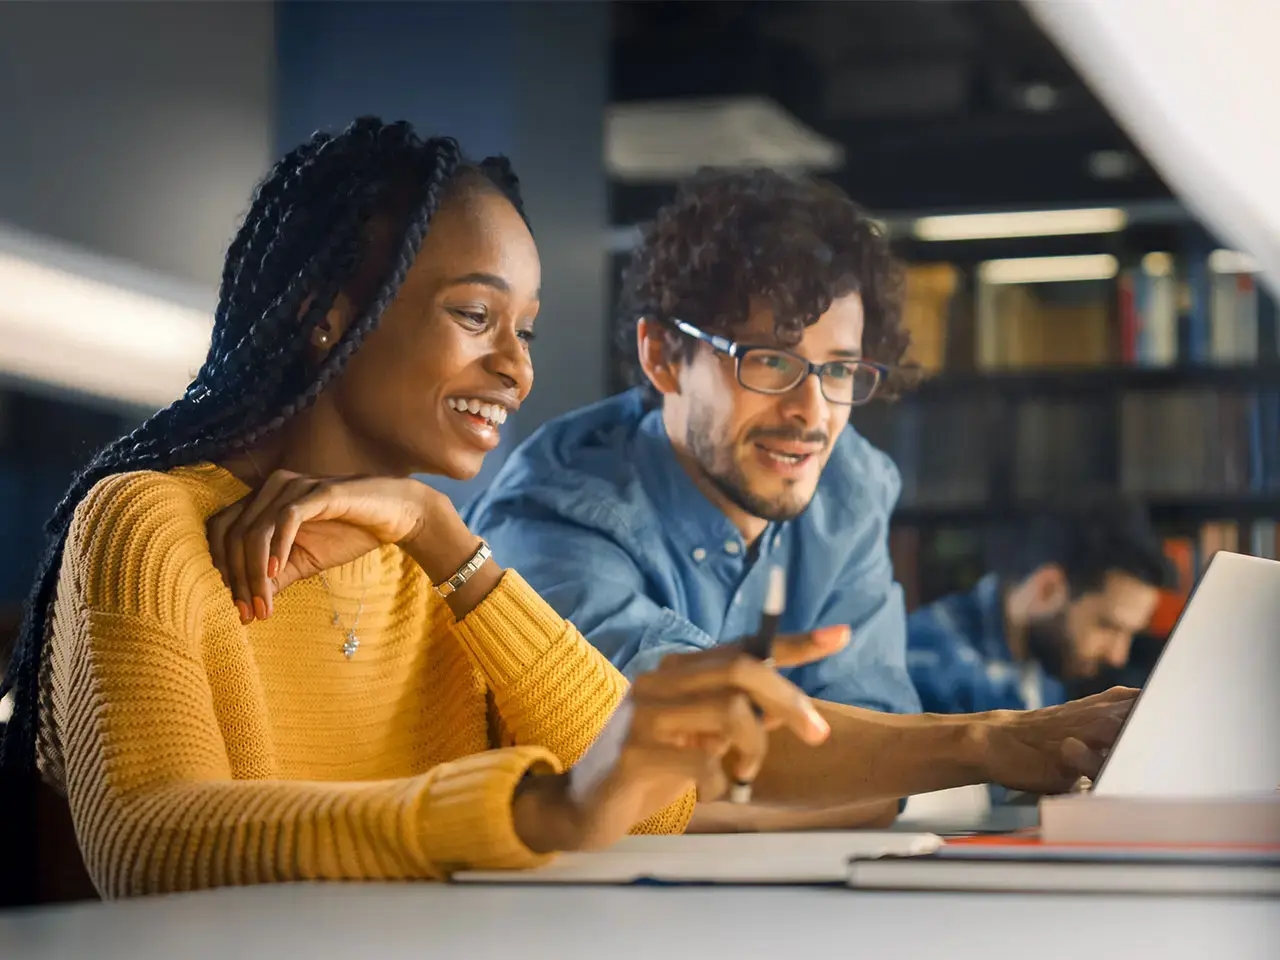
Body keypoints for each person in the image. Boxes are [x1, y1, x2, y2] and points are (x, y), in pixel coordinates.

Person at [0, 119, 846, 904]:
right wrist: (531, 814)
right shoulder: (146, 523)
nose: (516, 369)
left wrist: (442, 536)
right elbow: (150, 846)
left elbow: (653, 809)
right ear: (324, 316)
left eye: (527, 331)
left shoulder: (428, 556)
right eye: (476, 316)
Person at [466, 168, 1138, 831]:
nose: (812, 414)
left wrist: (775, 792)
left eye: (840, 370)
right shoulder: (552, 517)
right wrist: (984, 743)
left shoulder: (849, 486)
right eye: (770, 361)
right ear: (663, 355)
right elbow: (654, 757)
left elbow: (877, 782)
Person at [907, 499, 1172, 715]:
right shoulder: (932, 661)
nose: (1118, 656)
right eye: (1107, 626)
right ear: (1048, 589)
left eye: (1130, 634)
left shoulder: (1043, 666)